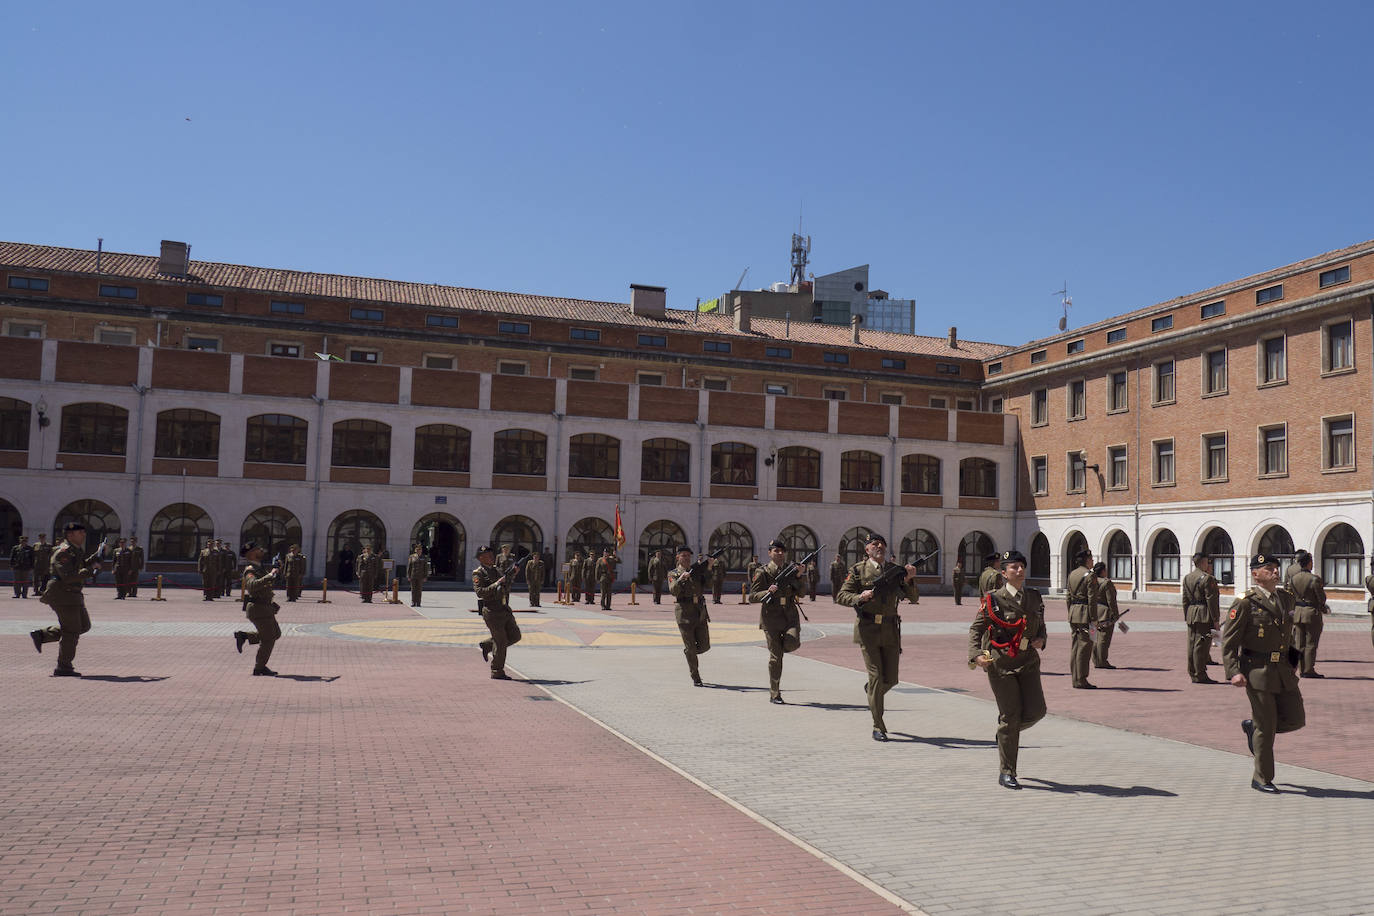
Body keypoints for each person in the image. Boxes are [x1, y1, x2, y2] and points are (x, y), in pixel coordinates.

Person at [1223, 554, 1305, 793]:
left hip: (1282, 670)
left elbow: (1289, 635)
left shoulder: (1286, 599)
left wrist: (1293, 660)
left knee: (1295, 718)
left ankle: (1253, 728)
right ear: (1255, 573)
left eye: (1276, 568)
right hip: (1257, 670)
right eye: (1268, 568)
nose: (1275, 572)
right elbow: (1229, 642)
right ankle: (1261, 778)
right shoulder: (1245, 602)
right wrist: (1233, 672)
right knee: (1267, 728)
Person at [969, 549, 1048, 789]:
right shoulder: (994, 599)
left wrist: (1041, 640)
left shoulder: (1034, 596)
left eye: (1022, 566)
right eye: (1014, 567)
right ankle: (1007, 772)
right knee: (1011, 716)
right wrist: (976, 656)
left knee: (1037, 711)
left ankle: (1006, 733)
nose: (1020, 570)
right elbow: (976, 630)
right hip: (1001, 663)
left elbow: (1040, 626)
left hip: (1028, 661)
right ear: (1003, 573)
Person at [836, 533, 921, 741]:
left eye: (882, 543)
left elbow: (913, 598)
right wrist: (859, 597)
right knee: (876, 676)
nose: (879, 546)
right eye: (874, 544)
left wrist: (909, 579)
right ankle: (878, 726)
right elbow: (841, 596)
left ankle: (872, 692)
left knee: (891, 679)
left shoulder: (895, 570)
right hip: (868, 629)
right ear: (867, 550)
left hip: (890, 629)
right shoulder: (857, 570)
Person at [31, 522, 100, 676]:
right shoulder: (63, 552)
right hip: (62, 594)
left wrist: (95, 558)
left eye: (83, 532)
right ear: (70, 535)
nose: (83, 535)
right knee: (72, 632)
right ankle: (64, 666)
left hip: (72, 595)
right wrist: (91, 569)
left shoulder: (75, 550)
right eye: (80, 532)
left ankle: (43, 635)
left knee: (84, 626)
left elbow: (79, 565)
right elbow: (68, 576)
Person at [749, 538, 803, 704]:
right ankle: (775, 693)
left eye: (782, 551)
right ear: (769, 553)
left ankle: (782, 648)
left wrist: (800, 576)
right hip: (771, 617)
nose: (779, 554)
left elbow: (801, 594)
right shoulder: (763, 572)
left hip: (790, 615)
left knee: (793, 642)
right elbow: (752, 596)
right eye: (776, 551)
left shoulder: (791, 570)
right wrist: (768, 590)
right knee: (776, 658)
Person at [233, 541, 283, 676]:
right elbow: (252, 586)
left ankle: (244, 636)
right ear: (251, 554)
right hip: (258, 609)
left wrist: (277, 571)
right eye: (257, 549)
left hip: (266, 607)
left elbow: (269, 583)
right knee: (269, 639)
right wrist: (270, 575)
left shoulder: (260, 568)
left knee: (276, 634)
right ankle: (259, 668)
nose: (261, 550)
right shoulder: (250, 570)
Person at [473, 545, 521, 679]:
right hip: (492, 611)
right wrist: (496, 584)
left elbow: (506, 585)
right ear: (481, 558)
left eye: (491, 555)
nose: (491, 557)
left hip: (504, 608)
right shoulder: (478, 573)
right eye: (488, 556)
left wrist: (513, 574)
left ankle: (488, 644)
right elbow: (480, 592)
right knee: (501, 642)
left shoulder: (497, 570)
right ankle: (497, 671)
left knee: (515, 636)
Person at [667, 545, 711, 686]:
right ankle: (695, 676)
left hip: (699, 611)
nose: (686, 558)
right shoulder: (673, 573)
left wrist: (709, 567)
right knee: (691, 647)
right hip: (684, 613)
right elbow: (673, 590)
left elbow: (709, 584)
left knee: (705, 646)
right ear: (677, 557)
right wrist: (681, 578)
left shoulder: (696, 571)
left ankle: (689, 652)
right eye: (683, 555)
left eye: (688, 555)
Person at [1287, 551, 1328, 678]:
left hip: (1298, 612)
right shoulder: (1314, 579)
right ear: (1309, 563)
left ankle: (1298, 667)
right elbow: (1321, 598)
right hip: (1311, 613)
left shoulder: (1294, 578)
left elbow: (1290, 595)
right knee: (1311, 642)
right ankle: (1308, 669)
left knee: (1299, 642)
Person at [1182, 553, 1221, 684]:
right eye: (1207, 562)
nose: (1208, 564)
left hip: (1191, 613)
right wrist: (1216, 619)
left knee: (1191, 644)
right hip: (1204, 615)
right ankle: (1200, 674)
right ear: (1203, 562)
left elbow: (1185, 600)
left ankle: (1192, 672)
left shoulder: (1187, 578)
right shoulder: (1207, 578)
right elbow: (1211, 601)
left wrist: (1186, 615)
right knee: (1202, 644)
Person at [1065, 548, 1097, 689]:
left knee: (1075, 646)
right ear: (1087, 560)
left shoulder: (1072, 574)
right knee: (1085, 647)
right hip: (1086, 615)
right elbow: (1092, 598)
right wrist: (1094, 618)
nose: (1093, 562)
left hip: (1074, 613)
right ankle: (1081, 679)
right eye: (1091, 559)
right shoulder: (1090, 575)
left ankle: (1075, 678)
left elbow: (1068, 597)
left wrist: (1071, 612)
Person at [1091, 561, 1119, 670]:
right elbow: (1111, 600)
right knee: (1103, 638)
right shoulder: (1106, 583)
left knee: (1093, 637)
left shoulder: (1090, 581)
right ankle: (1102, 660)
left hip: (1092, 612)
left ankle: (1095, 660)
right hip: (1104, 614)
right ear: (1102, 571)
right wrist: (1115, 614)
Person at [10, 534, 35, 598]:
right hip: (17, 567)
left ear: (26, 541)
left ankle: (24, 594)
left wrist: (32, 567)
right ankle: (17, 594)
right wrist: (11, 565)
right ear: (20, 541)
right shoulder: (15, 548)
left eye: (25, 541)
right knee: (16, 581)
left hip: (26, 568)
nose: (23, 542)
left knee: (25, 582)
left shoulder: (29, 549)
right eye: (22, 540)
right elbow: (12, 557)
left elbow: (32, 558)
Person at [32, 532, 52, 598]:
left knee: (44, 579)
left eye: (43, 538)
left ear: (45, 538)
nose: (42, 539)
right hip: (37, 564)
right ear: (39, 538)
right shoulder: (35, 545)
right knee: (35, 578)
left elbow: (51, 555)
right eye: (41, 538)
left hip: (45, 565)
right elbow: (32, 555)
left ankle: (43, 591)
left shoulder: (49, 546)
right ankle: (36, 591)